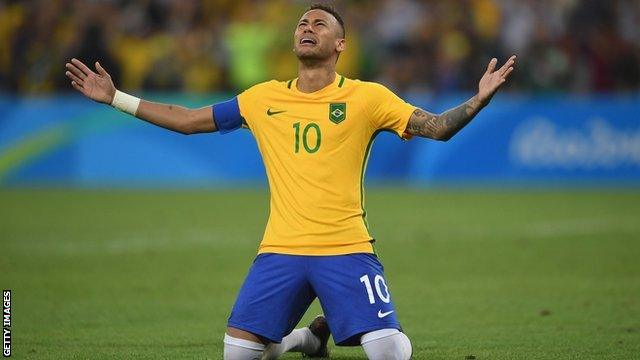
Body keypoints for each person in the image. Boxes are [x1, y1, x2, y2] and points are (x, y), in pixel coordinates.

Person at [65, 4, 516, 359]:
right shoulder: (262, 98)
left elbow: (435, 127)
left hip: (345, 247)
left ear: (340, 44)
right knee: (237, 355)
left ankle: (338, 330)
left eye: (319, 24)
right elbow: (187, 120)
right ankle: (308, 339)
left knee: (387, 353)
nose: (307, 27)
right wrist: (115, 98)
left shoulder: (367, 97)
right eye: (302, 22)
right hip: (280, 249)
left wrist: (477, 100)